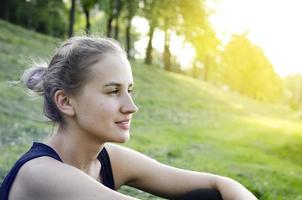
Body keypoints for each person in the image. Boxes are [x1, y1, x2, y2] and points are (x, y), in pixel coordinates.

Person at [0, 36, 257, 200]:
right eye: (113, 92)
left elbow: (218, 184)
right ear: (66, 101)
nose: (131, 107)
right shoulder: (41, 174)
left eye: (129, 90)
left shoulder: (108, 159)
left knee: (206, 196)